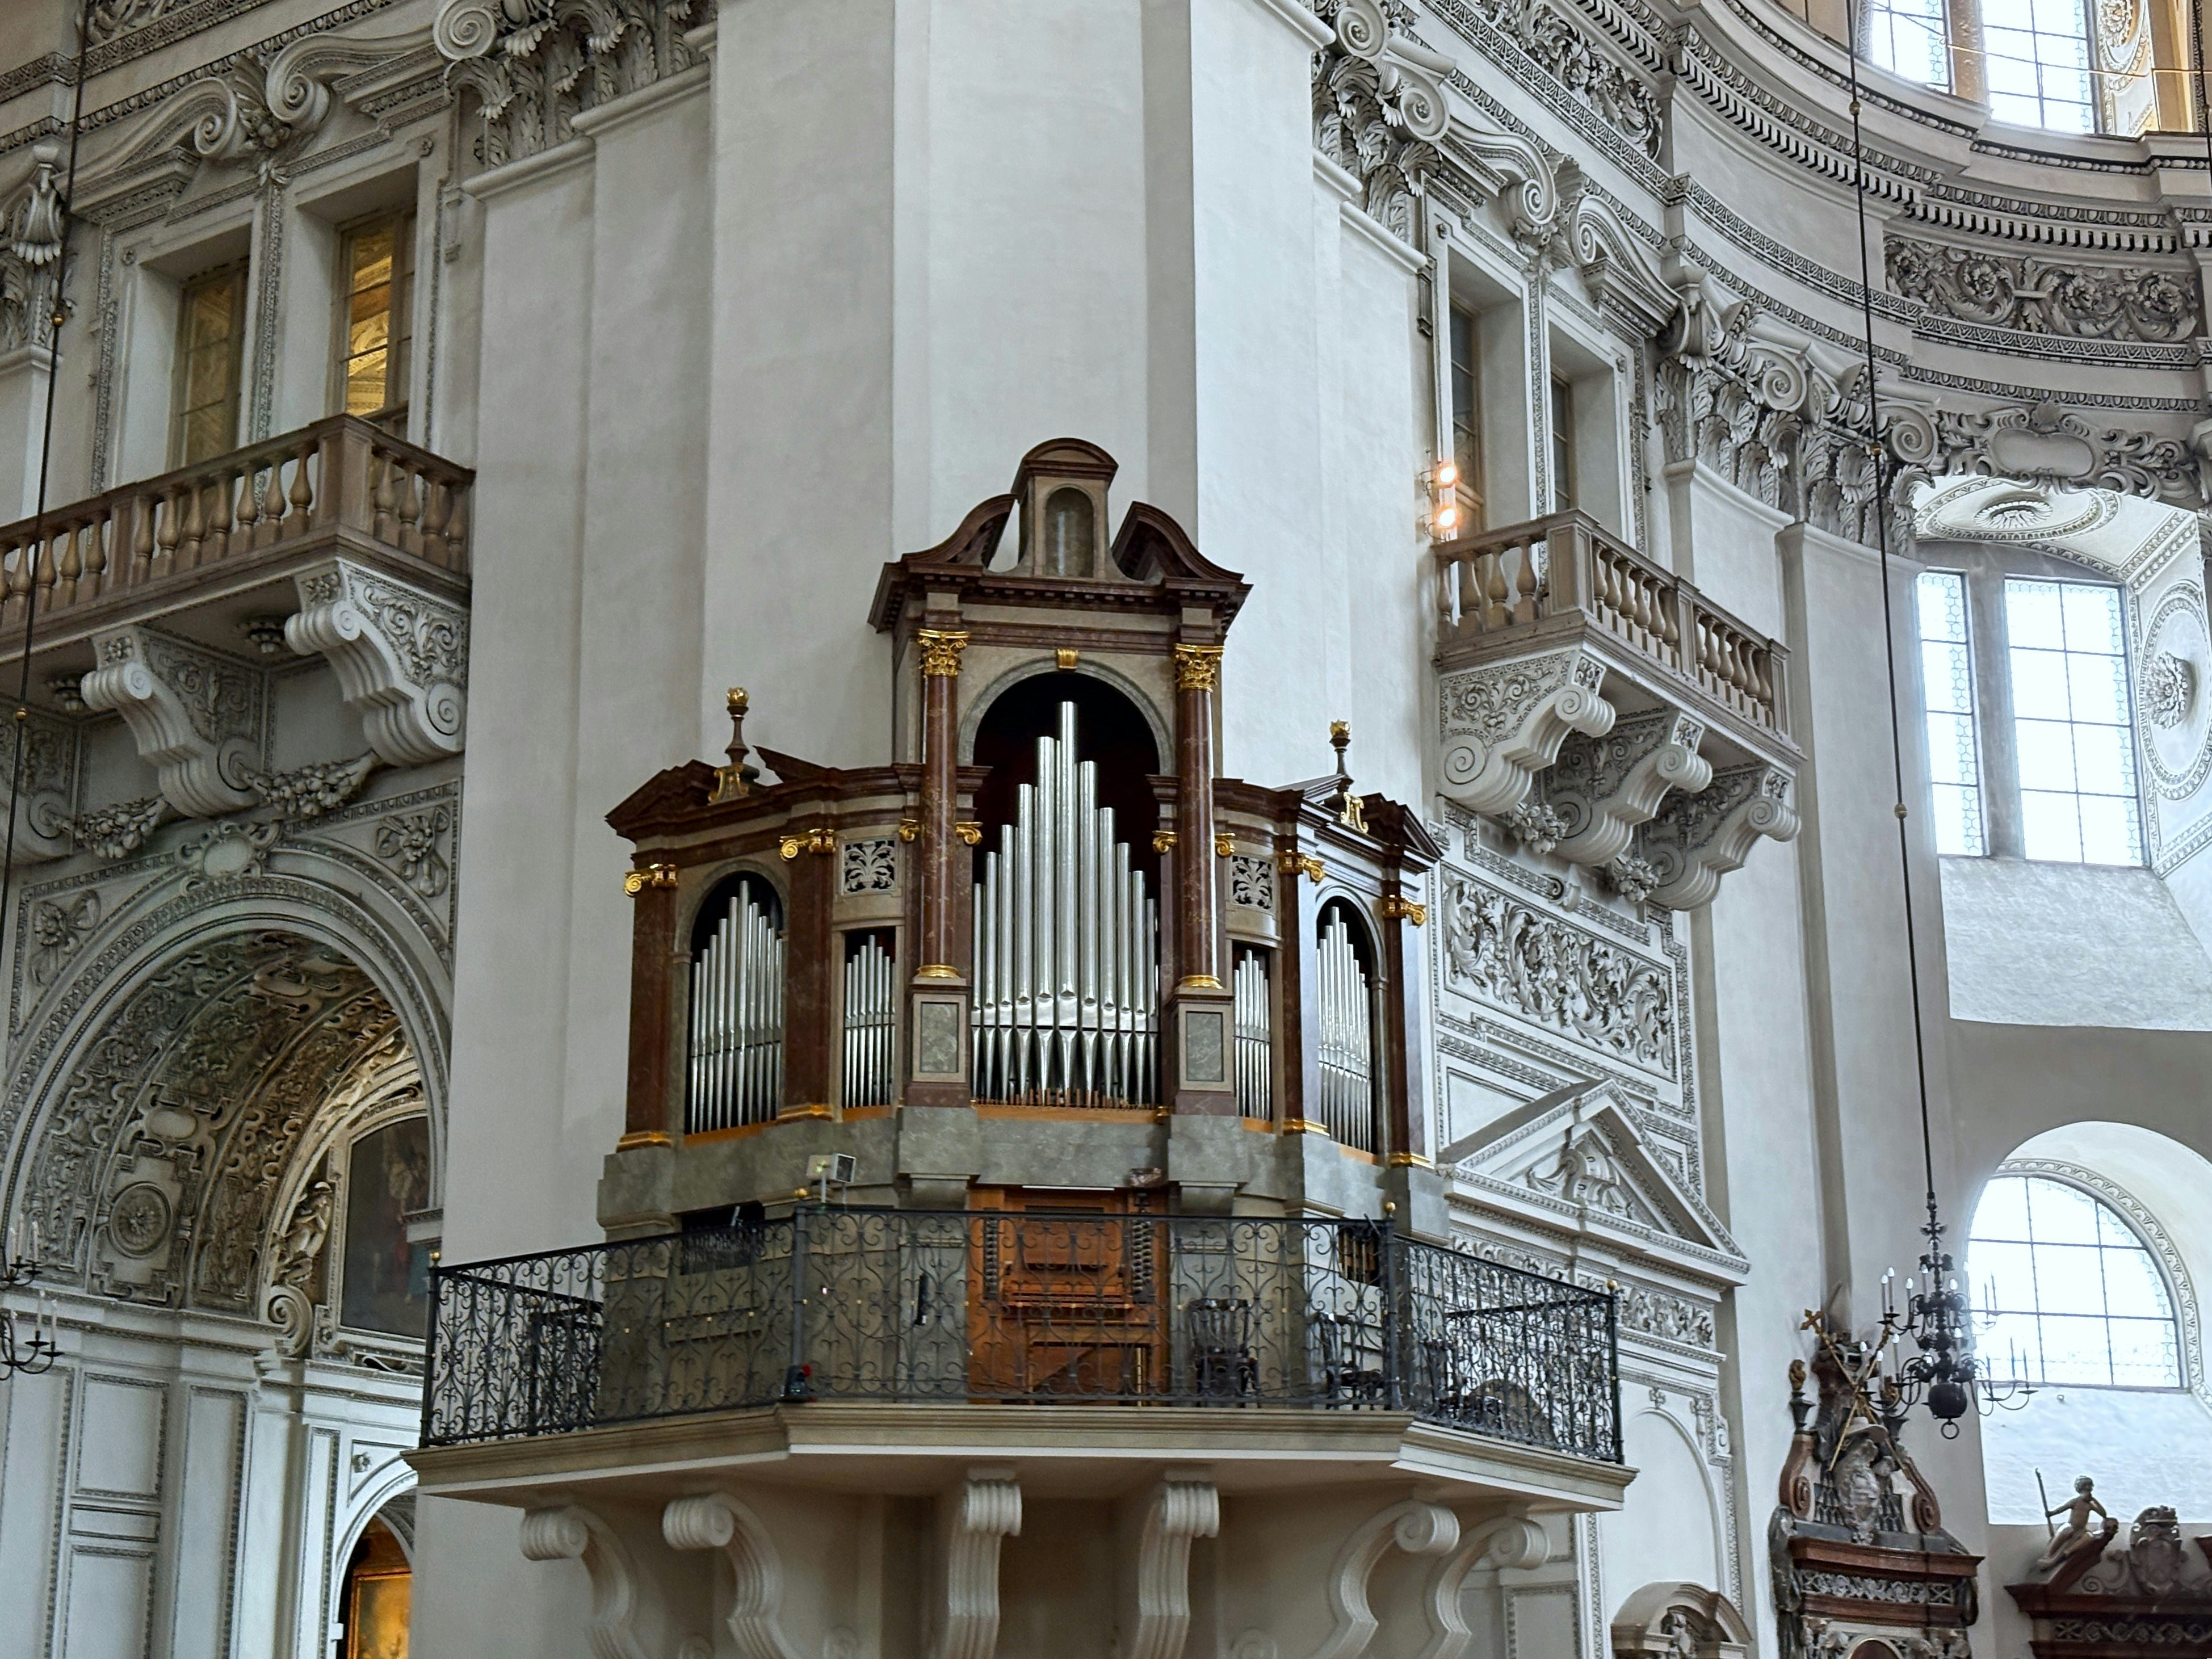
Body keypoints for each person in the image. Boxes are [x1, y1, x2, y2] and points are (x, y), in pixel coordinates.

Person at [2038, 1476, 2109, 1570]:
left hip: (2081, 1531)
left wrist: (2094, 1500)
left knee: (2089, 1536)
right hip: (2072, 1527)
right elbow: (2062, 1508)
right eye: (2087, 1488)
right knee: (2067, 1529)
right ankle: (2049, 1554)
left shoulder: (2090, 1504)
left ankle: (2068, 1551)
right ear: (2081, 1489)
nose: (2089, 1491)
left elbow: (2103, 1514)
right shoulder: (2076, 1501)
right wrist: (2051, 1513)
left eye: (2090, 1488)